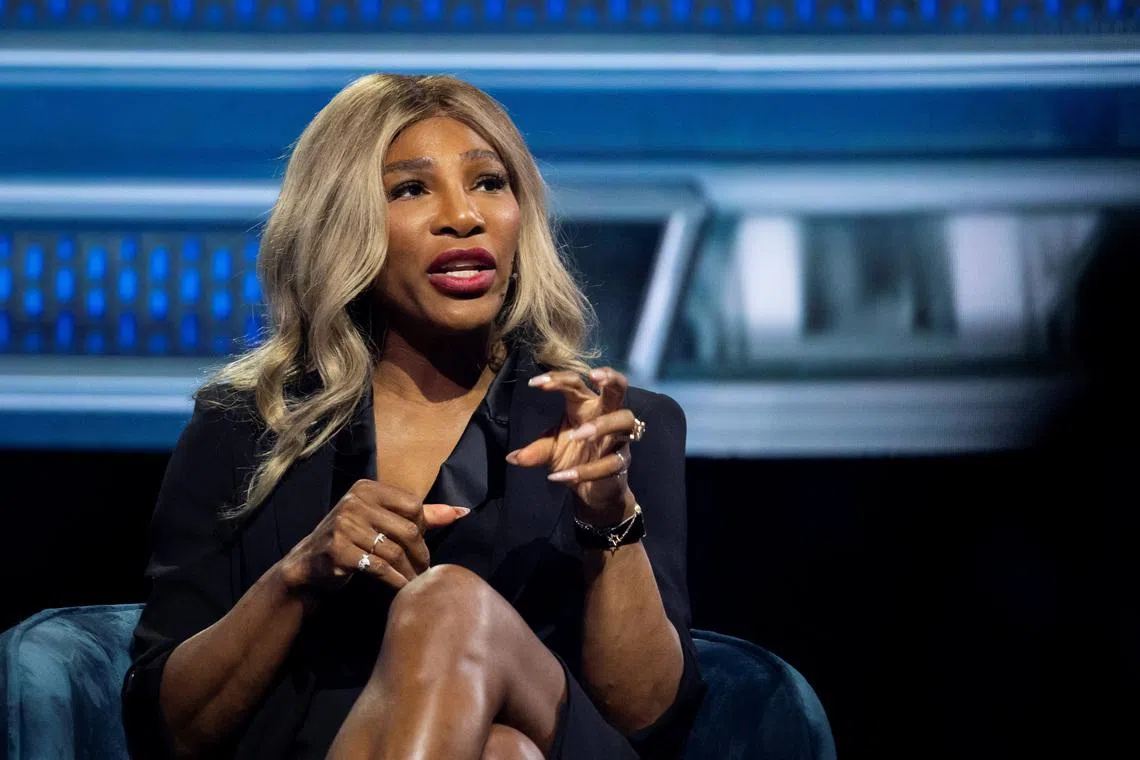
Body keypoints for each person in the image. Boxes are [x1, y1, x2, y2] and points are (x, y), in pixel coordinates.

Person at [121, 73, 706, 760]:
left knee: (451, 606)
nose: (464, 216)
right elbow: (168, 728)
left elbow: (646, 719)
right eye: (411, 188)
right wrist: (297, 576)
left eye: (490, 183)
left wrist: (608, 518)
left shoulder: (617, 428)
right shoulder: (244, 426)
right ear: (344, 221)